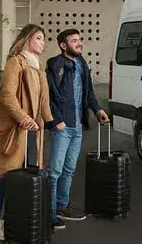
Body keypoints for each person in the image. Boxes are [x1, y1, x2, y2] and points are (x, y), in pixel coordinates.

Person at [0, 24, 54, 241]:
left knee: (24, 175)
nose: (43, 42)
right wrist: (24, 118)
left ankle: (16, 219)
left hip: (33, 132)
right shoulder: (15, 62)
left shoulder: (38, 67)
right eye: (39, 38)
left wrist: (50, 122)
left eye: (43, 39)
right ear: (27, 40)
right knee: (5, 175)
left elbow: (44, 101)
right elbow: (7, 96)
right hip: (16, 129)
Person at [46, 28, 110, 228]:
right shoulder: (54, 64)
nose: (79, 43)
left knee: (69, 169)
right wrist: (55, 120)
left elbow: (88, 92)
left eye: (79, 40)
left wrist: (97, 110)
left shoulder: (82, 64)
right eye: (74, 41)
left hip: (77, 127)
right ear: (63, 45)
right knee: (54, 170)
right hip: (61, 127)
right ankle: (49, 212)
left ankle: (61, 206)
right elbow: (49, 95)